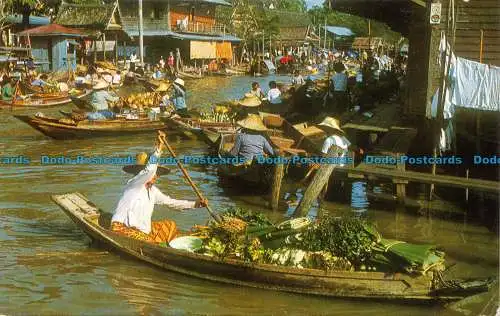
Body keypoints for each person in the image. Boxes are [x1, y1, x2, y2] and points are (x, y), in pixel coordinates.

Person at [111, 131, 207, 243]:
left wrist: (196, 204)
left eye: (156, 174)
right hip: (122, 229)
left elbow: (171, 202)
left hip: (141, 231)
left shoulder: (152, 191)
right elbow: (149, 170)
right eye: (153, 173)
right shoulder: (134, 184)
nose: (155, 176)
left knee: (170, 226)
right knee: (149, 241)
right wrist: (159, 148)